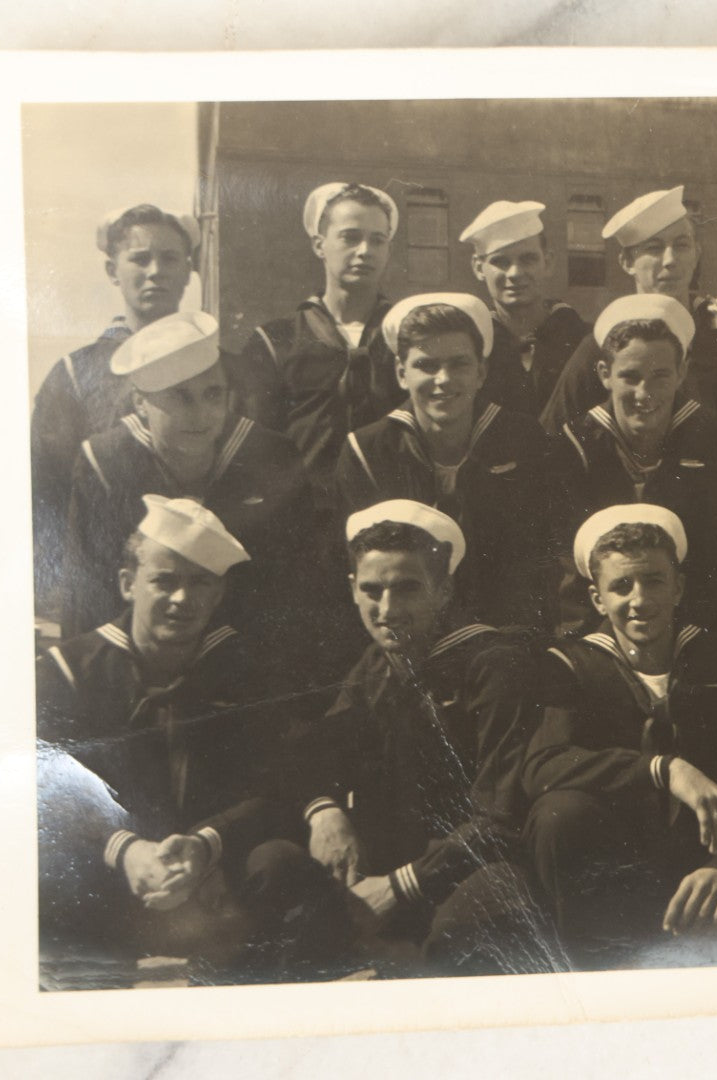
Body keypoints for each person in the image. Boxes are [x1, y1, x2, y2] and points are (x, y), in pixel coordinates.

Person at [36, 497, 347, 979]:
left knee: (280, 863)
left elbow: (274, 783)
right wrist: (125, 849)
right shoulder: (68, 671)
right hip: (113, 865)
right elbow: (45, 785)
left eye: (199, 583)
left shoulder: (245, 670)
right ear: (128, 583)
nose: (182, 599)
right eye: (164, 580)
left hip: (210, 872)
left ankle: (239, 990)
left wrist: (208, 845)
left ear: (219, 593)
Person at [285, 500, 562, 975]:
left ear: (444, 590)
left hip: (475, 864)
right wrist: (323, 810)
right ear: (352, 590)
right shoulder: (375, 663)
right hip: (396, 860)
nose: (387, 609)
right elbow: (317, 751)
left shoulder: (493, 663)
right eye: (371, 590)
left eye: (407, 589)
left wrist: (399, 886)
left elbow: (502, 814)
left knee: (458, 947)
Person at [522, 506, 717, 968]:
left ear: (679, 587)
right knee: (559, 813)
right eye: (621, 586)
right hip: (619, 864)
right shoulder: (571, 665)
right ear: (597, 599)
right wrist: (663, 768)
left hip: (709, 858)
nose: (639, 600)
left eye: (654, 581)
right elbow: (543, 764)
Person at [61, 312, 313, 675]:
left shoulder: (269, 457)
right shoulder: (105, 464)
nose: (201, 414)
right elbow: (85, 599)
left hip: (248, 666)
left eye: (213, 394)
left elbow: (296, 590)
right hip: (135, 667)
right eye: (181, 397)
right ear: (140, 402)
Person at [334, 293, 552, 629]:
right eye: (426, 365)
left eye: (459, 363)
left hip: (505, 629)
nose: (443, 379)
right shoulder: (367, 452)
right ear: (401, 373)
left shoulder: (522, 440)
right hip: (406, 631)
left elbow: (536, 560)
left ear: (481, 372)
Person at [550, 293, 717, 633]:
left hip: (699, 625)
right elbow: (568, 572)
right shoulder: (574, 446)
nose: (645, 393)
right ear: (604, 373)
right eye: (630, 376)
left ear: (682, 372)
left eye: (660, 376)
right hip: (600, 628)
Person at [30, 204, 201, 615]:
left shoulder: (213, 366)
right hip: (101, 576)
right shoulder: (75, 372)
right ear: (112, 271)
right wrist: (53, 586)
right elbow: (45, 487)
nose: (156, 271)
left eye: (170, 258)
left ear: (189, 269)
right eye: (140, 259)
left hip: (195, 579)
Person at [538, 185, 717, 433]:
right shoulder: (600, 346)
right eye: (654, 248)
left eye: (681, 246)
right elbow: (552, 436)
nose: (670, 260)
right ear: (627, 262)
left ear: (697, 253)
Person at [234, 181, 404, 511]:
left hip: (391, 516)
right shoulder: (275, 342)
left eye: (377, 240)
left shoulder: (406, 334)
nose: (365, 250)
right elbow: (254, 449)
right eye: (351, 237)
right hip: (305, 523)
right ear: (319, 245)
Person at [460, 200, 590, 418]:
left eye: (528, 259)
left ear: (547, 262)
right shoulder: (472, 346)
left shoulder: (583, 339)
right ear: (478, 267)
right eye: (500, 261)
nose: (515, 273)